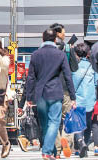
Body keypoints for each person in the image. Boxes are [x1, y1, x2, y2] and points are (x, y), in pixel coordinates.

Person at [26, 28, 76, 160]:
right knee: (54, 122)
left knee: (45, 124)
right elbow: (67, 76)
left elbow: (30, 78)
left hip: (40, 94)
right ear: (55, 39)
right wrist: (72, 96)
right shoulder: (60, 55)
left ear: (42, 39)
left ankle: (53, 151)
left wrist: (29, 97)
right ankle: (47, 151)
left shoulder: (35, 54)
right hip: (55, 92)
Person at [51, 23, 79, 159]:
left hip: (51, 89)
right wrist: (71, 51)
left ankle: (56, 150)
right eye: (63, 32)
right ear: (58, 34)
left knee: (54, 120)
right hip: (66, 89)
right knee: (68, 118)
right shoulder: (67, 48)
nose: (65, 34)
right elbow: (74, 68)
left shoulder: (46, 48)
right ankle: (66, 141)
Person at [71, 43, 97, 158]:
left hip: (77, 100)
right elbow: (96, 83)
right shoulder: (93, 67)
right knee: (88, 124)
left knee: (78, 124)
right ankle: (84, 145)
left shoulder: (74, 67)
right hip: (90, 100)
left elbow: (70, 83)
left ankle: (81, 142)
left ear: (77, 54)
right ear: (87, 54)